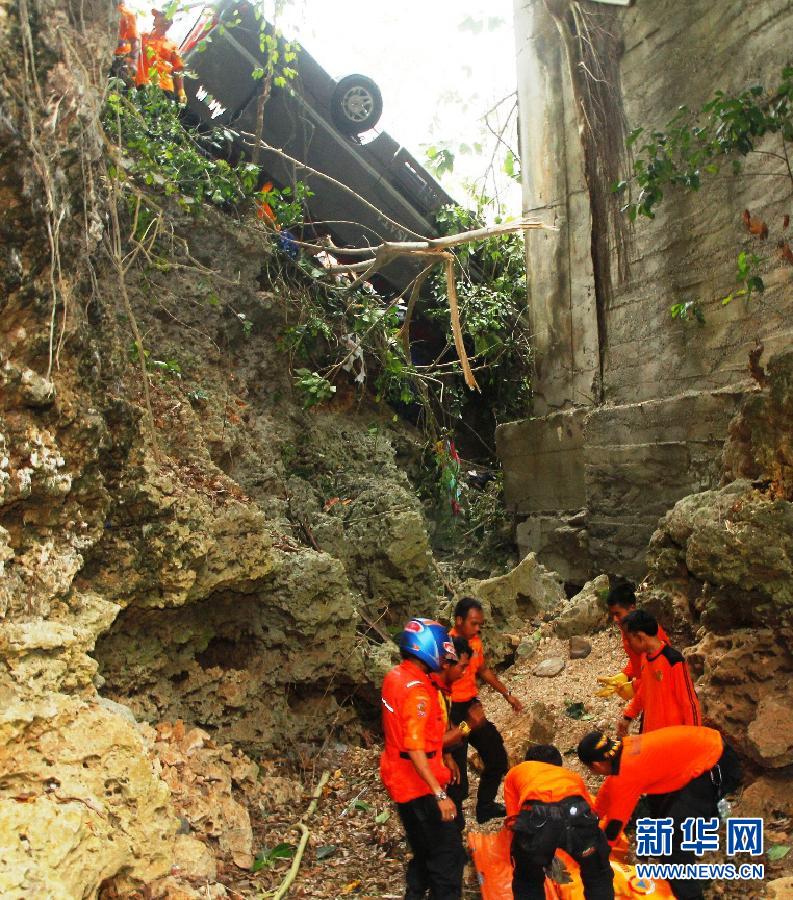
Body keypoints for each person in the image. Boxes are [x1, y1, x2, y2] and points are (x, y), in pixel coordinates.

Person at [578, 726, 740, 900]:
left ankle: (691, 896)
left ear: (596, 765)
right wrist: (592, 817)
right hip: (708, 747)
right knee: (664, 817)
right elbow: (608, 791)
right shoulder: (626, 749)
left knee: (670, 843)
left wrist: (593, 857)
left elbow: (615, 826)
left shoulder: (627, 773)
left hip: (717, 766)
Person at [380, 618, 465, 899]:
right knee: (447, 859)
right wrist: (440, 795)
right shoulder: (418, 692)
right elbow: (415, 746)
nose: (444, 655)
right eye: (442, 649)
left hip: (400, 777)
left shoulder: (396, 676)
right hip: (419, 786)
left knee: (423, 850)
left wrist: (445, 756)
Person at [505, 744, 615, 900]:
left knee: (528, 881)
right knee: (598, 875)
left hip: (537, 816)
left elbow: (514, 821)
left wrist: (533, 854)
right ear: (557, 764)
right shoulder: (571, 775)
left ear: (528, 761)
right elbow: (592, 814)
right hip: (577, 811)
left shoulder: (517, 771)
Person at [449, 596, 523, 825]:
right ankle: (455, 823)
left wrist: (506, 693)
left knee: (497, 757)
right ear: (459, 620)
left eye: (480, 624)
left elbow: (482, 669)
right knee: (456, 773)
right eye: (474, 623)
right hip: (453, 712)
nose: (478, 628)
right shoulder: (446, 647)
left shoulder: (475, 642)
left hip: (472, 706)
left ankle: (485, 807)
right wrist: (466, 722)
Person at [616, 609, 700, 738]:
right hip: (650, 734)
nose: (627, 644)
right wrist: (628, 716)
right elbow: (645, 690)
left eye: (629, 639)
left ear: (640, 637)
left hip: (672, 737)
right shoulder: (645, 658)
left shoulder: (673, 661)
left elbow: (689, 703)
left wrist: (694, 738)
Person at [597, 583, 670, 702]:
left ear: (631, 608)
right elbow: (638, 659)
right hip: (648, 692)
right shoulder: (627, 627)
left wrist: (635, 686)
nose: (615, 619)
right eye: (612, 614)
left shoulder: (649, 633)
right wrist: (626, 675)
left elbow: (662, 675)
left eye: (617, 614)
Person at [136, 8, 186, 103]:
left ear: (166, 23)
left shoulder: (172, 45)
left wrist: (181, 90)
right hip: (143, 83)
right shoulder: (143, 37)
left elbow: (178, 69)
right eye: (156, 17)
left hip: (165, 88)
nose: (155, 19)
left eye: (158, 16)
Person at [112, 3, 139, 88]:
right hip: (102, 53)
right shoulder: (101, 7)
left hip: (119, 57)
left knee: (118, 87)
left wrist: (133, 61)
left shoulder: (127, 14)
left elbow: (134, 40)